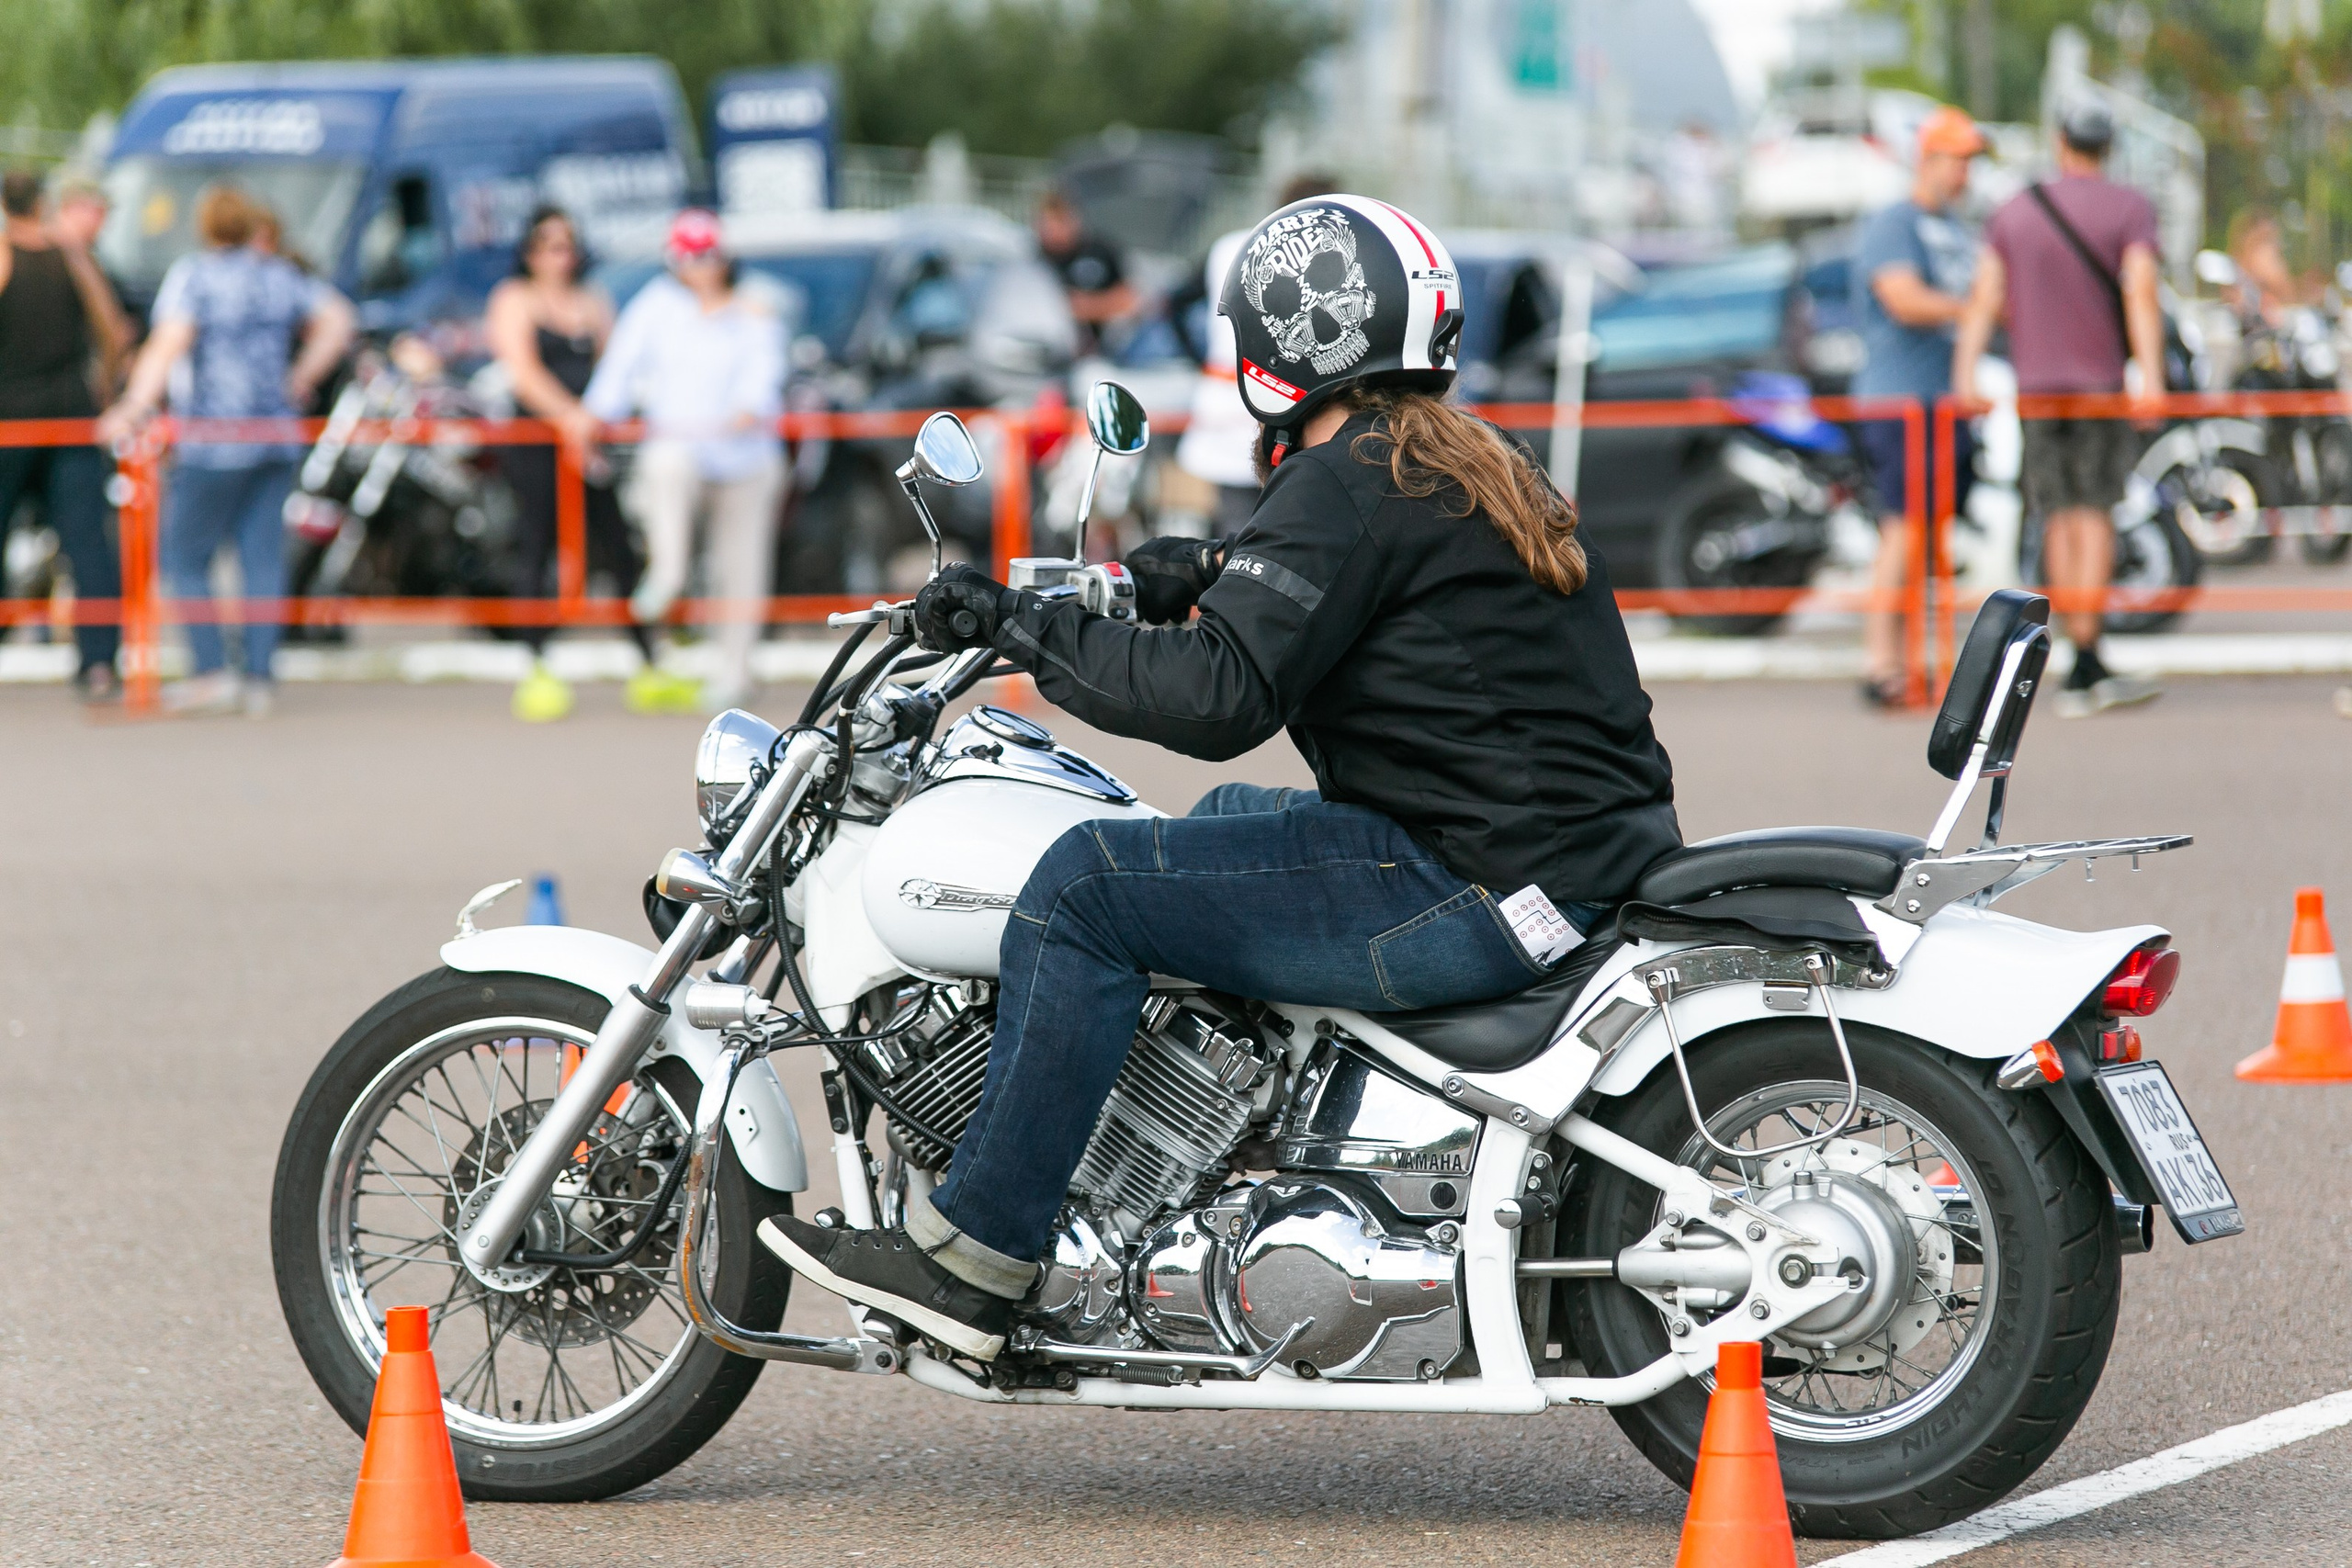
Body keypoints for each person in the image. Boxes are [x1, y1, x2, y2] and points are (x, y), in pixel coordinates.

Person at [758, 195, 1683, 1359]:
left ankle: (977, 1254)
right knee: (1230, 822)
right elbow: (1336, 582)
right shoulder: (1456, 458)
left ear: (1280, 343)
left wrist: (1017, 625)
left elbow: (1215, 697)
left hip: (1469, 883)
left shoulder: (1349, 477)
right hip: (1563, 862)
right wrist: (1200, 568)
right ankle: (1213, 1150)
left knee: (1088, 884)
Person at [97, 184, 356, 716]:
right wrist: (300, 377)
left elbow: (167, 345)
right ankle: (260, 676)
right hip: (275, 435)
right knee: (262, 559)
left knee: (184, 557)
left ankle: (212, 669)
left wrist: (133, 405)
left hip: (213, 438)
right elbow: (339, 321)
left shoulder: (195, 277)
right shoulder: (279, 274)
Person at [1954, 101, 2165, 718]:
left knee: (2056, 516)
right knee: (2094, 514)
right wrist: (2151, 377)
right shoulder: (2129, 207)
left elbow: (1985, 294)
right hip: (2099, 387)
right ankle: (2088, 657)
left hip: (2038, 390)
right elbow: (2141, 290)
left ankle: (2071, 653)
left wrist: (1965, 373)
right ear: (2108, 147)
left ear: (2060, 141)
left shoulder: (2013, 211)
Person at [581, 209, 785, 714]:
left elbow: (765, 376)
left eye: (707, 255)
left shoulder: (755, 306)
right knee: (665, 464)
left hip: (747, 460)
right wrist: (594, 417)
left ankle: (734, 675)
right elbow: (619, 369)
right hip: (684, 449)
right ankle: (668, 576)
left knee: (739, 571)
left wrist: (749, 408)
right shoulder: (656, 306)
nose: (699, 266)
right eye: (688, 257)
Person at [485, 206, 657, 721]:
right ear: (529, 251)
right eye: (547, 245)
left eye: (566, 245)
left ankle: (648, 658)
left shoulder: (593, 299)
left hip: (589, 444)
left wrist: (592, 422)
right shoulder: (514, 298)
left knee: (618, 548)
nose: (558, 256)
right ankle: (535, 663)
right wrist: (570, 419)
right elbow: (523, 373)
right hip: (537, 441)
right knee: (535, 547)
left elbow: (614, 368)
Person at [1849, 107, 1985, 707]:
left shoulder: (1955, 228)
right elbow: (1902, 298)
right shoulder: (1893, 223)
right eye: (1958, 159)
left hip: (1941, 402)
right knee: (1902, 531)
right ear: (1927, 158)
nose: (1965, 173)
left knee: (1928, 536)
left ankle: (1912, 659)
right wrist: (1972, 309)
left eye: (1970, 161)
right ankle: (1880, 662)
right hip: (1898, 400)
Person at [0, 167, 131, 701]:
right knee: (87, 543)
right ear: (43, 203)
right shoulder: (72, 256)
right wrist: (103, 388)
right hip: (71, 416)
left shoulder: (4, 255)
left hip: (9, 421)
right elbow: (113, 331)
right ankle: (99, 662)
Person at [1166, 174, 1339, 536]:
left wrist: (1197, 357)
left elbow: (1175, 303)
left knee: (1236, 526)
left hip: (1229, 395)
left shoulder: (1230, 246)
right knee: (1285, 522)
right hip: (1285, 402)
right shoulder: (1322, 258)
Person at [1034, 189, 1136, 356]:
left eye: (1058, 221)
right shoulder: (1035, 258)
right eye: (1046, 224)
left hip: (1102, 351)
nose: (1051, 230)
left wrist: (1083, 308)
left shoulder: (1099, 252)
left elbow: (1129, 301)